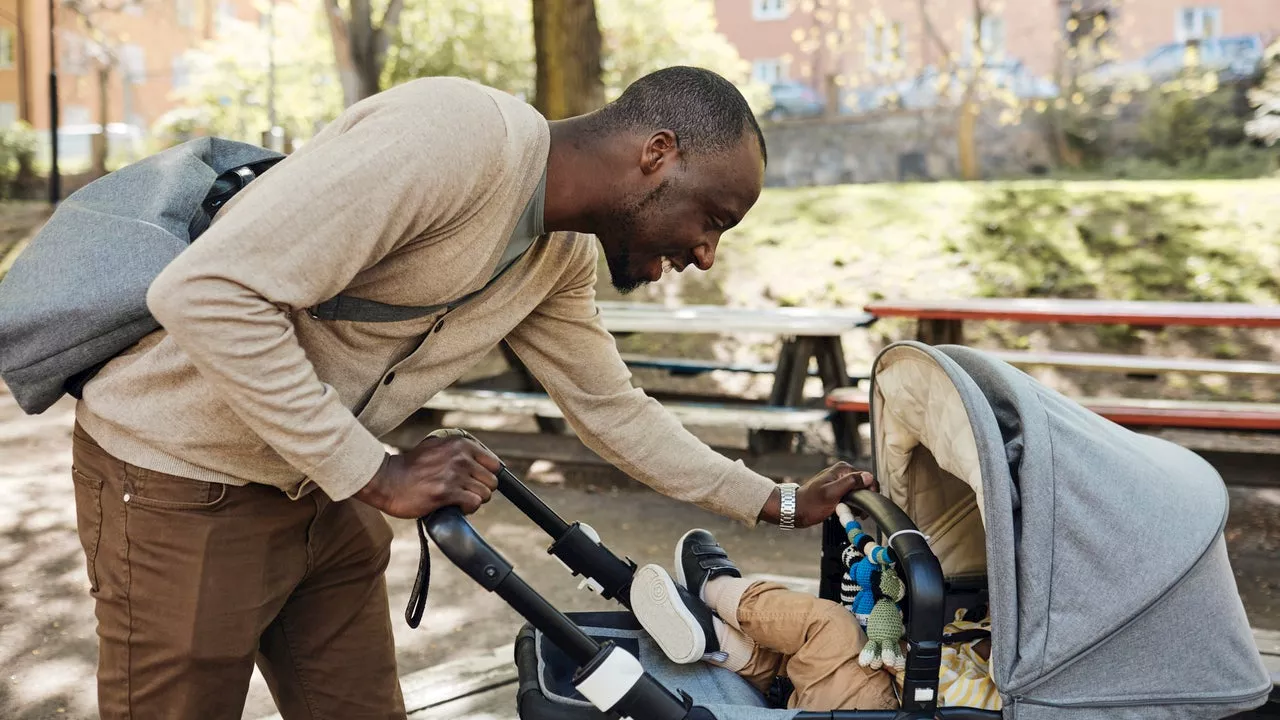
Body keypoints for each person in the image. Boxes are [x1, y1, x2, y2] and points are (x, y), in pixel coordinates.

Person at [67, 66, 874, 719]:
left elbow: (611, 406)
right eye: (715, 217)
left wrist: (776, 499)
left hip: (319, 491)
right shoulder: (451, 137)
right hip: (179, 481)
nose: (705, 253)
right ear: (657, 154)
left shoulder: (556, 257)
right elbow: (205, 293)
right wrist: (376, 473)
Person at [629, 529, 1000, 712]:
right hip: (873, 684)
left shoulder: (1005, 691)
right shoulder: (973, 627)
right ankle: (714, 641)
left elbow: (946, 697)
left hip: (890, 709)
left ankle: (716, 591)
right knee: (788, 649)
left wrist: (894, 650)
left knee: (829, 625)